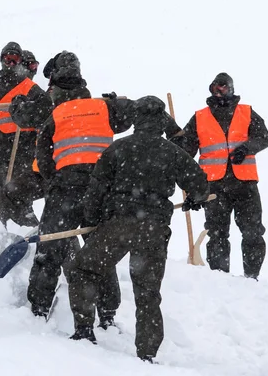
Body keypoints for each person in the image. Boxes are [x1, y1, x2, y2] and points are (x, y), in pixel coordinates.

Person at [68, 96, 210, 363]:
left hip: (118, 224)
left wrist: (94, 222)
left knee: (84, 270)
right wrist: (195, 198)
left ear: (136, 119)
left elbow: (96, 190)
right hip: (154, 229)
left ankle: (84, 330)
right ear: (160, 121)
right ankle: (146, 354)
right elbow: (200, 184)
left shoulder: (118, 149)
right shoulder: (172, 152)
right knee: (147, 293)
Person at [26, 51, 134, 324]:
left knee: (49, 250)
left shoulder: (56, 113)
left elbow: (43, 153)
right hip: (101, 191)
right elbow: (130, 116)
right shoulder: (104, 107)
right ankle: (107, 315)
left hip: (66, 189)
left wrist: (53, 183)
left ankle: (38, 309)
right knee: (101, 254)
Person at [171, 73, 268, 279]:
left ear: (231, 88)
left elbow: (264, 137)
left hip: (245, 185)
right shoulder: (199, 117)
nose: (220, 91)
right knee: (216, 234)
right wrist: (192, 190)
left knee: (253, 232)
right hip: (214, 188)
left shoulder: (247, 112)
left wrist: (247, 147)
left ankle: (252, 277)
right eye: (216, 87)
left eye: (224, 86)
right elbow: (185, 156)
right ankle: (220, 280)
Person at [0, 43, 52, 225]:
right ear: (1, 60)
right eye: (8, 59)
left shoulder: (29, 87)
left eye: (15, 59)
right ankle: (1, 234)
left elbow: (46, 111)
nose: (11, 63)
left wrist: (27, 114)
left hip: (21, 151)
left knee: (16, 198)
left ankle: (31, 235)